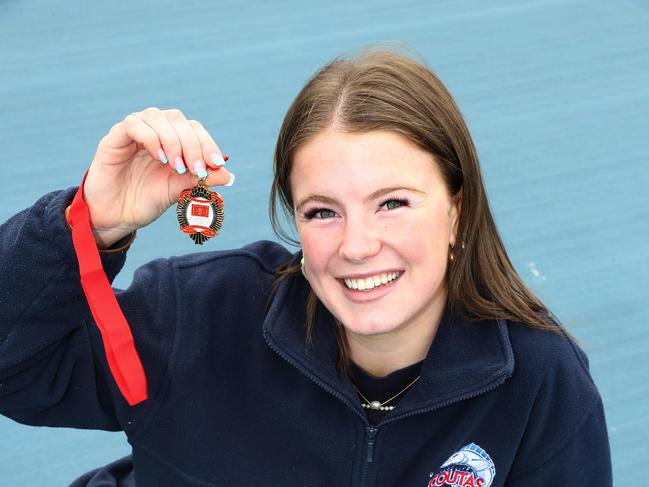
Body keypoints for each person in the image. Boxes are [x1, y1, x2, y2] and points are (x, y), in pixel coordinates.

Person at [0, 48, 612, 486]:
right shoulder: (197, 320)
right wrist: (92, 221)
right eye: (323, 212)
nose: (357, 245)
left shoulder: (538, 384)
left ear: (458, 210)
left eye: (392, 203)